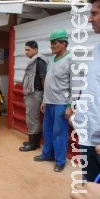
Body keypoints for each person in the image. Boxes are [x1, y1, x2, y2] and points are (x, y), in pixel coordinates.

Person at [33, 28, 81, 172]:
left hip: (61, 104)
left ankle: (60, 161)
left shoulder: (71, 60)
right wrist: (44, 100)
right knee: (47, 131)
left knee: (59, 133)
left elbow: (76, 85)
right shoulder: (52, 61)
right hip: (50, 103)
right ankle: (47, 154)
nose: (51, 46)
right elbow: (49, 82)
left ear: (63, 43)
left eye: (54, 43)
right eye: (51, 43)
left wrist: (70, 106)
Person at [72, 0, 100, 183]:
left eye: (95, 13)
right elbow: (91, 86)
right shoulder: (97, 48)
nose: (89, 19)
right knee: (90, 187)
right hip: (89, 137)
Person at [19, 41, 48, 152]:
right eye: (25, 50)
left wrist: (45, 96)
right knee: (32, 117)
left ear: (35, 50)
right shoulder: (33, 61)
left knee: (32, 118)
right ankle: (35, 143)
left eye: (28, 50)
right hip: (31, 93)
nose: (26, 52)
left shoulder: (39, 61)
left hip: (35, 93)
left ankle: (32, 143)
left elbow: (43, 79)